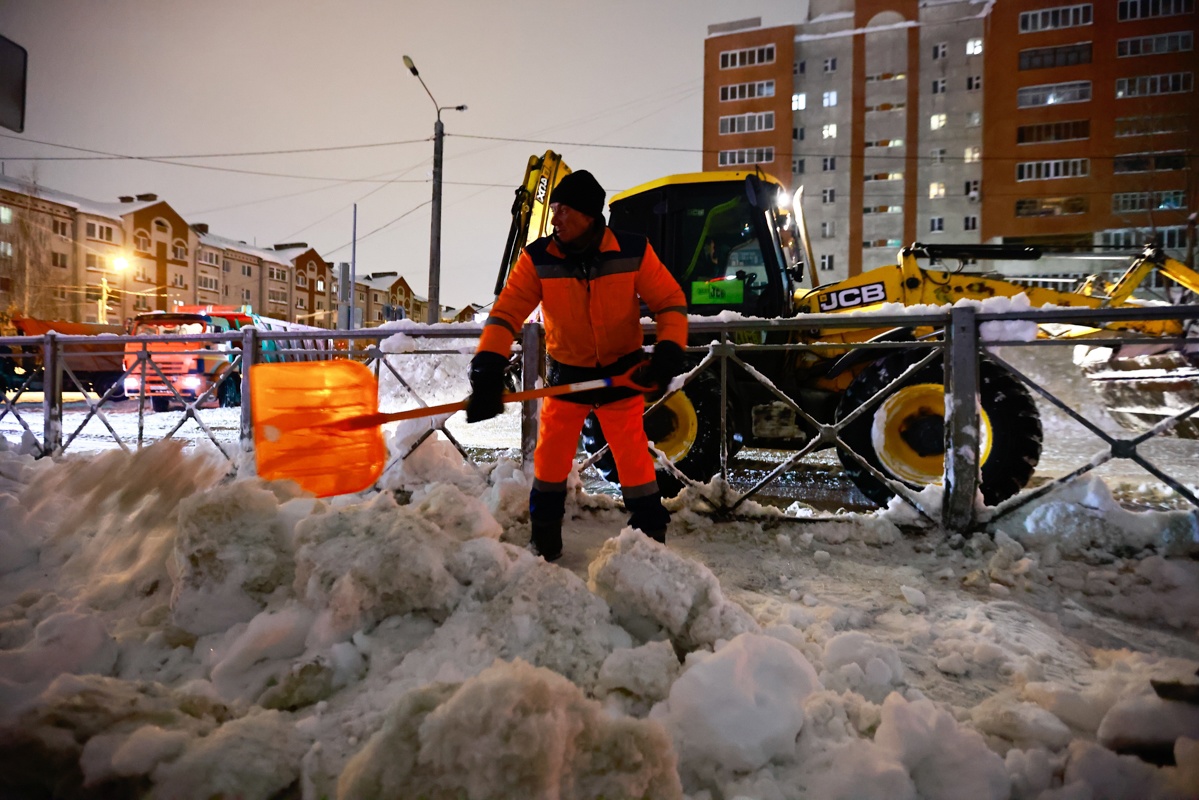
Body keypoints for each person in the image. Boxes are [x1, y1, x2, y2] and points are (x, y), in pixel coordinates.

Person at [466, 170, 688, 561]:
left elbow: (669, 301)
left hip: (622, 373)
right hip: (567, 376)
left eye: (564, 210)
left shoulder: (632, 250)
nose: (555, 219)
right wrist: (487, 368)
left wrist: (668, 351)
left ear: (589, 215)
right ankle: (544, 542)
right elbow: (505, 315)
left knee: (634, 459)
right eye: (554, 209)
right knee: (550, 461)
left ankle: (651, 542)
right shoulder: (538, 258)